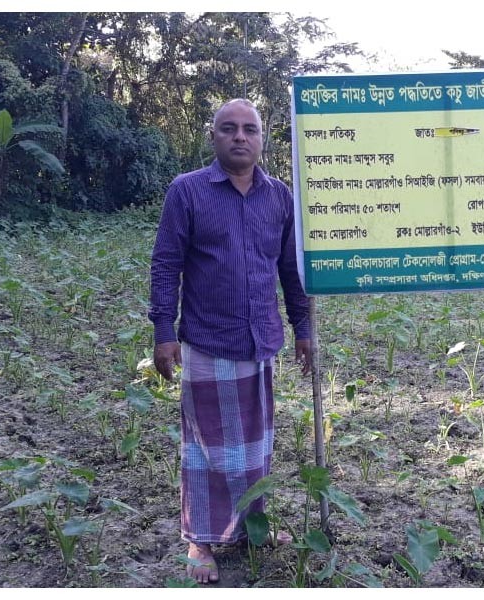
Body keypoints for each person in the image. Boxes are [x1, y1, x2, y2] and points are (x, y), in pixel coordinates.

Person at [149, 98, 313, 584]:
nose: (240, 137)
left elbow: (290, 270)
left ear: (262, 138)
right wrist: (163, 331)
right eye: (229, 129)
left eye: (249, 129)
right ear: (214, 137)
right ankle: (201, 538)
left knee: (255, 445)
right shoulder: (187, 192)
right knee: (206, 448)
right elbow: (166, 263)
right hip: (207, 339)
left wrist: (303, 327)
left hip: (260, 339)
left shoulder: (280, 197)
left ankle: (250, 527)